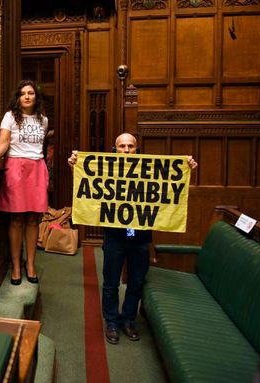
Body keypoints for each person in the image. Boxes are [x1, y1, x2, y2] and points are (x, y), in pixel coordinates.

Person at [68, 133, 198, 344]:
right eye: (122, 146)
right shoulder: (106, 168)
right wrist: (75, 164)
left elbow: (173, 186)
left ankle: (128, 319)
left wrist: (187, 167)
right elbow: (86, 178)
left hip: (141, 237)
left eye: (130, 146)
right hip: (115, 237)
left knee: (136, 282)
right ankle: (111, 321)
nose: (126, 150)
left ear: (137, 149)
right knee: (110, 283)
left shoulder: (148, 170)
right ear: (115, 149)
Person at [0, 80, 48, 285]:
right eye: (23, 93)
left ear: (36, 97)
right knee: (17, 219)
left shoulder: (43, 120)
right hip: (16, 168)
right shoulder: (10, 116)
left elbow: (41, 148)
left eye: (31, 93)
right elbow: (3, 143)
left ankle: (31, 265)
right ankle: (17, 265)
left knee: (34, 219)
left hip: (36, 168)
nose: (27, 96)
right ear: (18, 97)